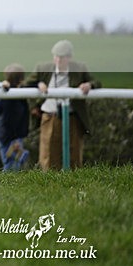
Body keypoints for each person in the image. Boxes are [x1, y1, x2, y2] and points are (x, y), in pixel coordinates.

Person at [25, 40, 100, 171]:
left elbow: (96, 82)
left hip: (73, 118)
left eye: (62, 57)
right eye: (56, 57)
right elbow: (25, 84)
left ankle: (73, 183)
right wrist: (39, 84)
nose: (58, 60)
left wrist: (89, 85)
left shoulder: (80, 68)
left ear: (69, 57)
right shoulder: (43, 68)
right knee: (48, 155)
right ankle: (48, 184)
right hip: (50, 118)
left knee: (74, 154)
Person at [0, 64, 30, 171]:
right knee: (11, 164)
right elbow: (10, 120)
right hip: (10, 136)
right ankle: (7, 184)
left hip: (4, 134)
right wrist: (15, 140)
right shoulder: (12, 99)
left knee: (12, 162)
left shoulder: (6, 93)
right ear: (21, 80)